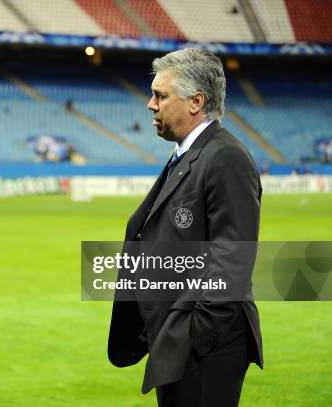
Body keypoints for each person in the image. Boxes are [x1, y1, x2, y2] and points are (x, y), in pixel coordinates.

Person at [107, 48, 263, 407]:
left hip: (203, 348)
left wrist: (193, 338)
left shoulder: (224, 157)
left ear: (196, 102)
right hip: (176, 341)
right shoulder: (190, 153)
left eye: (160, 95)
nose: (150, 104)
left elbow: (233, 262)